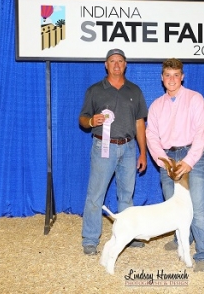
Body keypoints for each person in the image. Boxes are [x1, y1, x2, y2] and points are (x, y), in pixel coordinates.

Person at [146, 58, 204, 272]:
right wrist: (163, 160)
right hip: (167, 157)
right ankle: (182, 239)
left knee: (199, 207)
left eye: (176, 75)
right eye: (168, 75)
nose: (172, 79)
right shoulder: (157, 105)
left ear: (182, 76)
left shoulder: (195, 98)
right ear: (162, 78)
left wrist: (189, 161)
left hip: (191, 155)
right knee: (173, 205)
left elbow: (202, 132)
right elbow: (151, 135)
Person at [79, 48, 148, 255]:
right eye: (112, 61)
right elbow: (82, 118)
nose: (116, 64)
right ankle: (90, 239)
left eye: (120, 61)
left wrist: (142, 152)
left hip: (128, 147)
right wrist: (91, 121)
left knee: (126, 195)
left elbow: (140, 124)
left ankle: (128, 235)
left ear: (125, 64)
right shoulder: (95, 90)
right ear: (106, 65)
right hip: (103, 146)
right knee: (95, 194)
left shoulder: (134, 91)